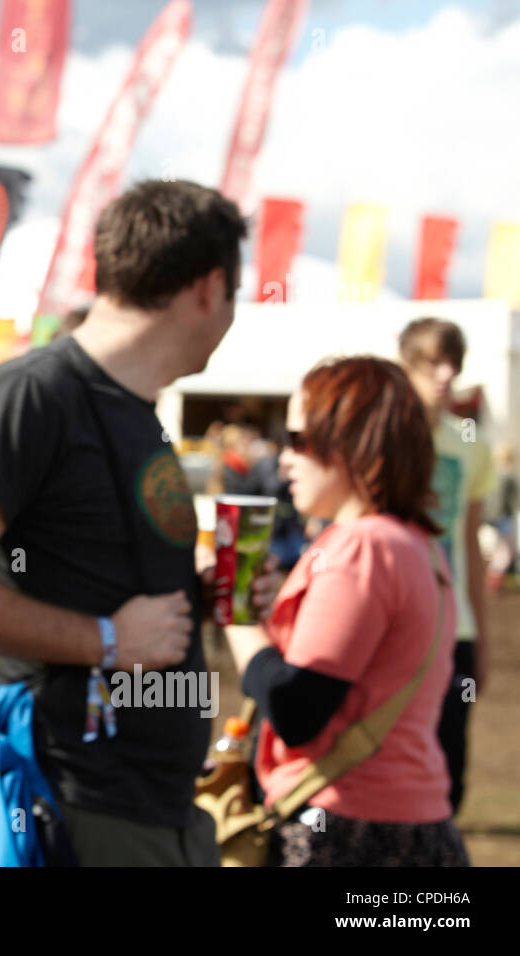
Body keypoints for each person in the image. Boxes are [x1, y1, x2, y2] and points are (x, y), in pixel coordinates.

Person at [0, 179, 247, 866]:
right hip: (77, 807)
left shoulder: (134, 405)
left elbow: (99, 578)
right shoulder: (36, 392)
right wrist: (106, 639)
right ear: (209, 288)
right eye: (235, 294)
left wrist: (202, 594)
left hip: (160, 806)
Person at [223, 357, 466, 866]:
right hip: (413, 824)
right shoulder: (416, 545)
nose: (284, 458)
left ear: (353, 444)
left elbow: (297, 710)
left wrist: (235, 612)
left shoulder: (363, 547)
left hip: (347, 831)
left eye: (299, 439)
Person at [398, 317, 495, 814]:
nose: (443, 374)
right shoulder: (386, 437)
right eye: (432, 362)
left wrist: (482, 637)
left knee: (450, 759)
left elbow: (472, 548)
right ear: (407, 364)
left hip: (454, 627)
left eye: (451, 364)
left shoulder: (472, 444)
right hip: (398, 623)